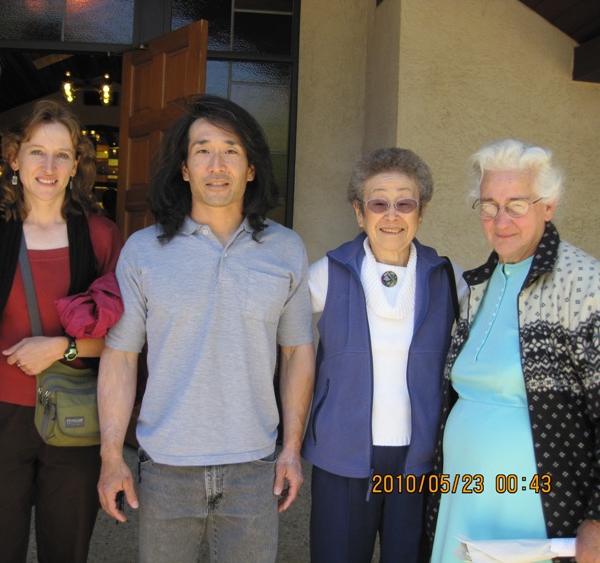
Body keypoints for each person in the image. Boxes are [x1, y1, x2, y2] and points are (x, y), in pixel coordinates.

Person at [96, 94, 315, 562]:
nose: (217, 164)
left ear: (251, 168)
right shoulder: (143, 250)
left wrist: (291, 449)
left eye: (231, 150)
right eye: (202, 149)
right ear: (184, 168)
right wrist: (111, 456)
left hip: (254, 467)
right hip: (167, 469)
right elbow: (120, 355)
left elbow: (298, 352)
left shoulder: (286, 248)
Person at [428, 139, 600, 563]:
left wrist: (598, 520)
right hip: (463, 498)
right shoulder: (479, 284)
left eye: (516, 205)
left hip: (535, 511)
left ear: (548, 206)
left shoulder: (583, 285)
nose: (500, 220)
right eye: (488, 206)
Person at [0, 99, 122, 562]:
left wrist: (61, 347)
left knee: (66, 549)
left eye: (62, 154)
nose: (49, 166)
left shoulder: (100, 235)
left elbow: (126, 339)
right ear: (14, 158)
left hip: (75, 418)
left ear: (77, 164)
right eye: (37, 152)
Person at [301, 147, 464, 562]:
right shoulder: (327, 273)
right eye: (378, 203)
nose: (391, 215)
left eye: (404, 203)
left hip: (419, 459)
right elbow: (277, 332)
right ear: (360, 213)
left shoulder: (450, 279)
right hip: (344, 456)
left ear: (420, 212)